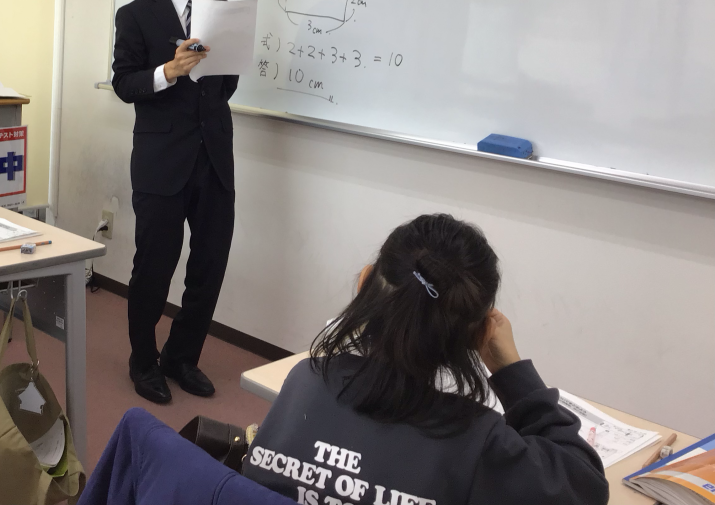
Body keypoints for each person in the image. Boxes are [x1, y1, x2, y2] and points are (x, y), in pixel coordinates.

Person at [242, 214, 609, 505]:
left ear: (365, 282)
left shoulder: (305, 381)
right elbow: (584, 486)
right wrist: (513, 373)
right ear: (481, 333)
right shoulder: (475, 440)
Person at [111, 0, 238, 404]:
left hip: (215, 159)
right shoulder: (136, 14)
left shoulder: (225, 12)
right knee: (154, 266)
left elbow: (226, 86)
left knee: (210, 265)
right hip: (161, 161)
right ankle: (143, 361)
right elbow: (125, 84)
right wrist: (169, 71)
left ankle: (182, 357)